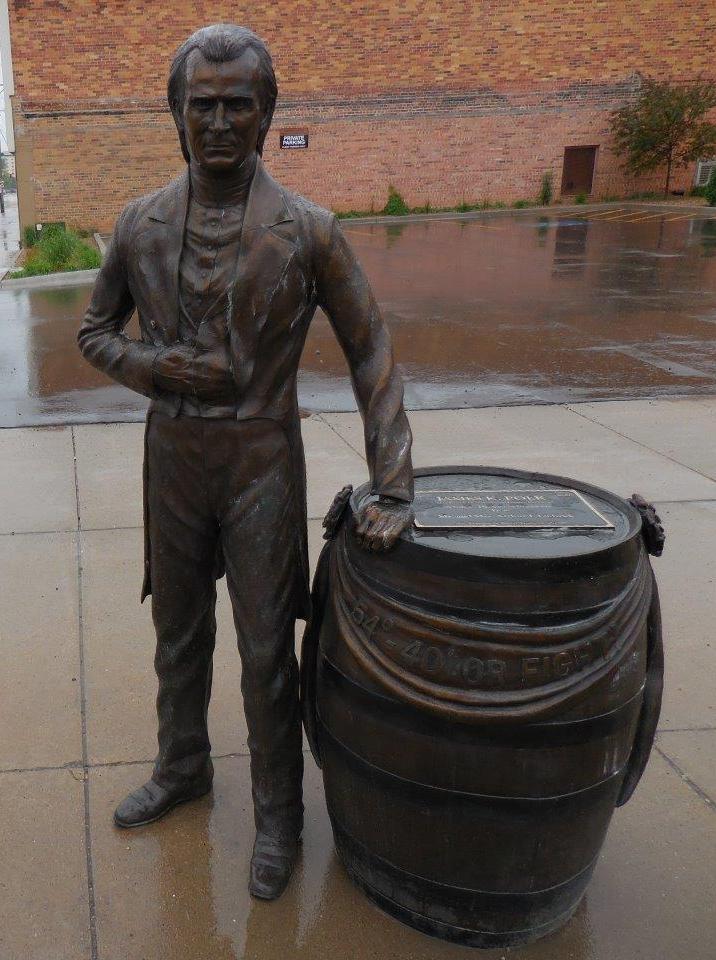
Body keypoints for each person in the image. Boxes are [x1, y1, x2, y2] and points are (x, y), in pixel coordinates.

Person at [77, 24, 413, 900]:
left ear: (266, 117)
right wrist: (152, 367)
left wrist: (395, 484)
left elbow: (372, 350)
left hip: (262, 457)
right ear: (177, 116)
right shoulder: (138, 221)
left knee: (268, 649)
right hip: (174, 459)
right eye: (202, 105)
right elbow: (94, 331)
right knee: (177, 636)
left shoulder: (309, 230)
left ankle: (280, 816)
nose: (218, 121)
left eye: (237, 105)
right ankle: (183, 763)